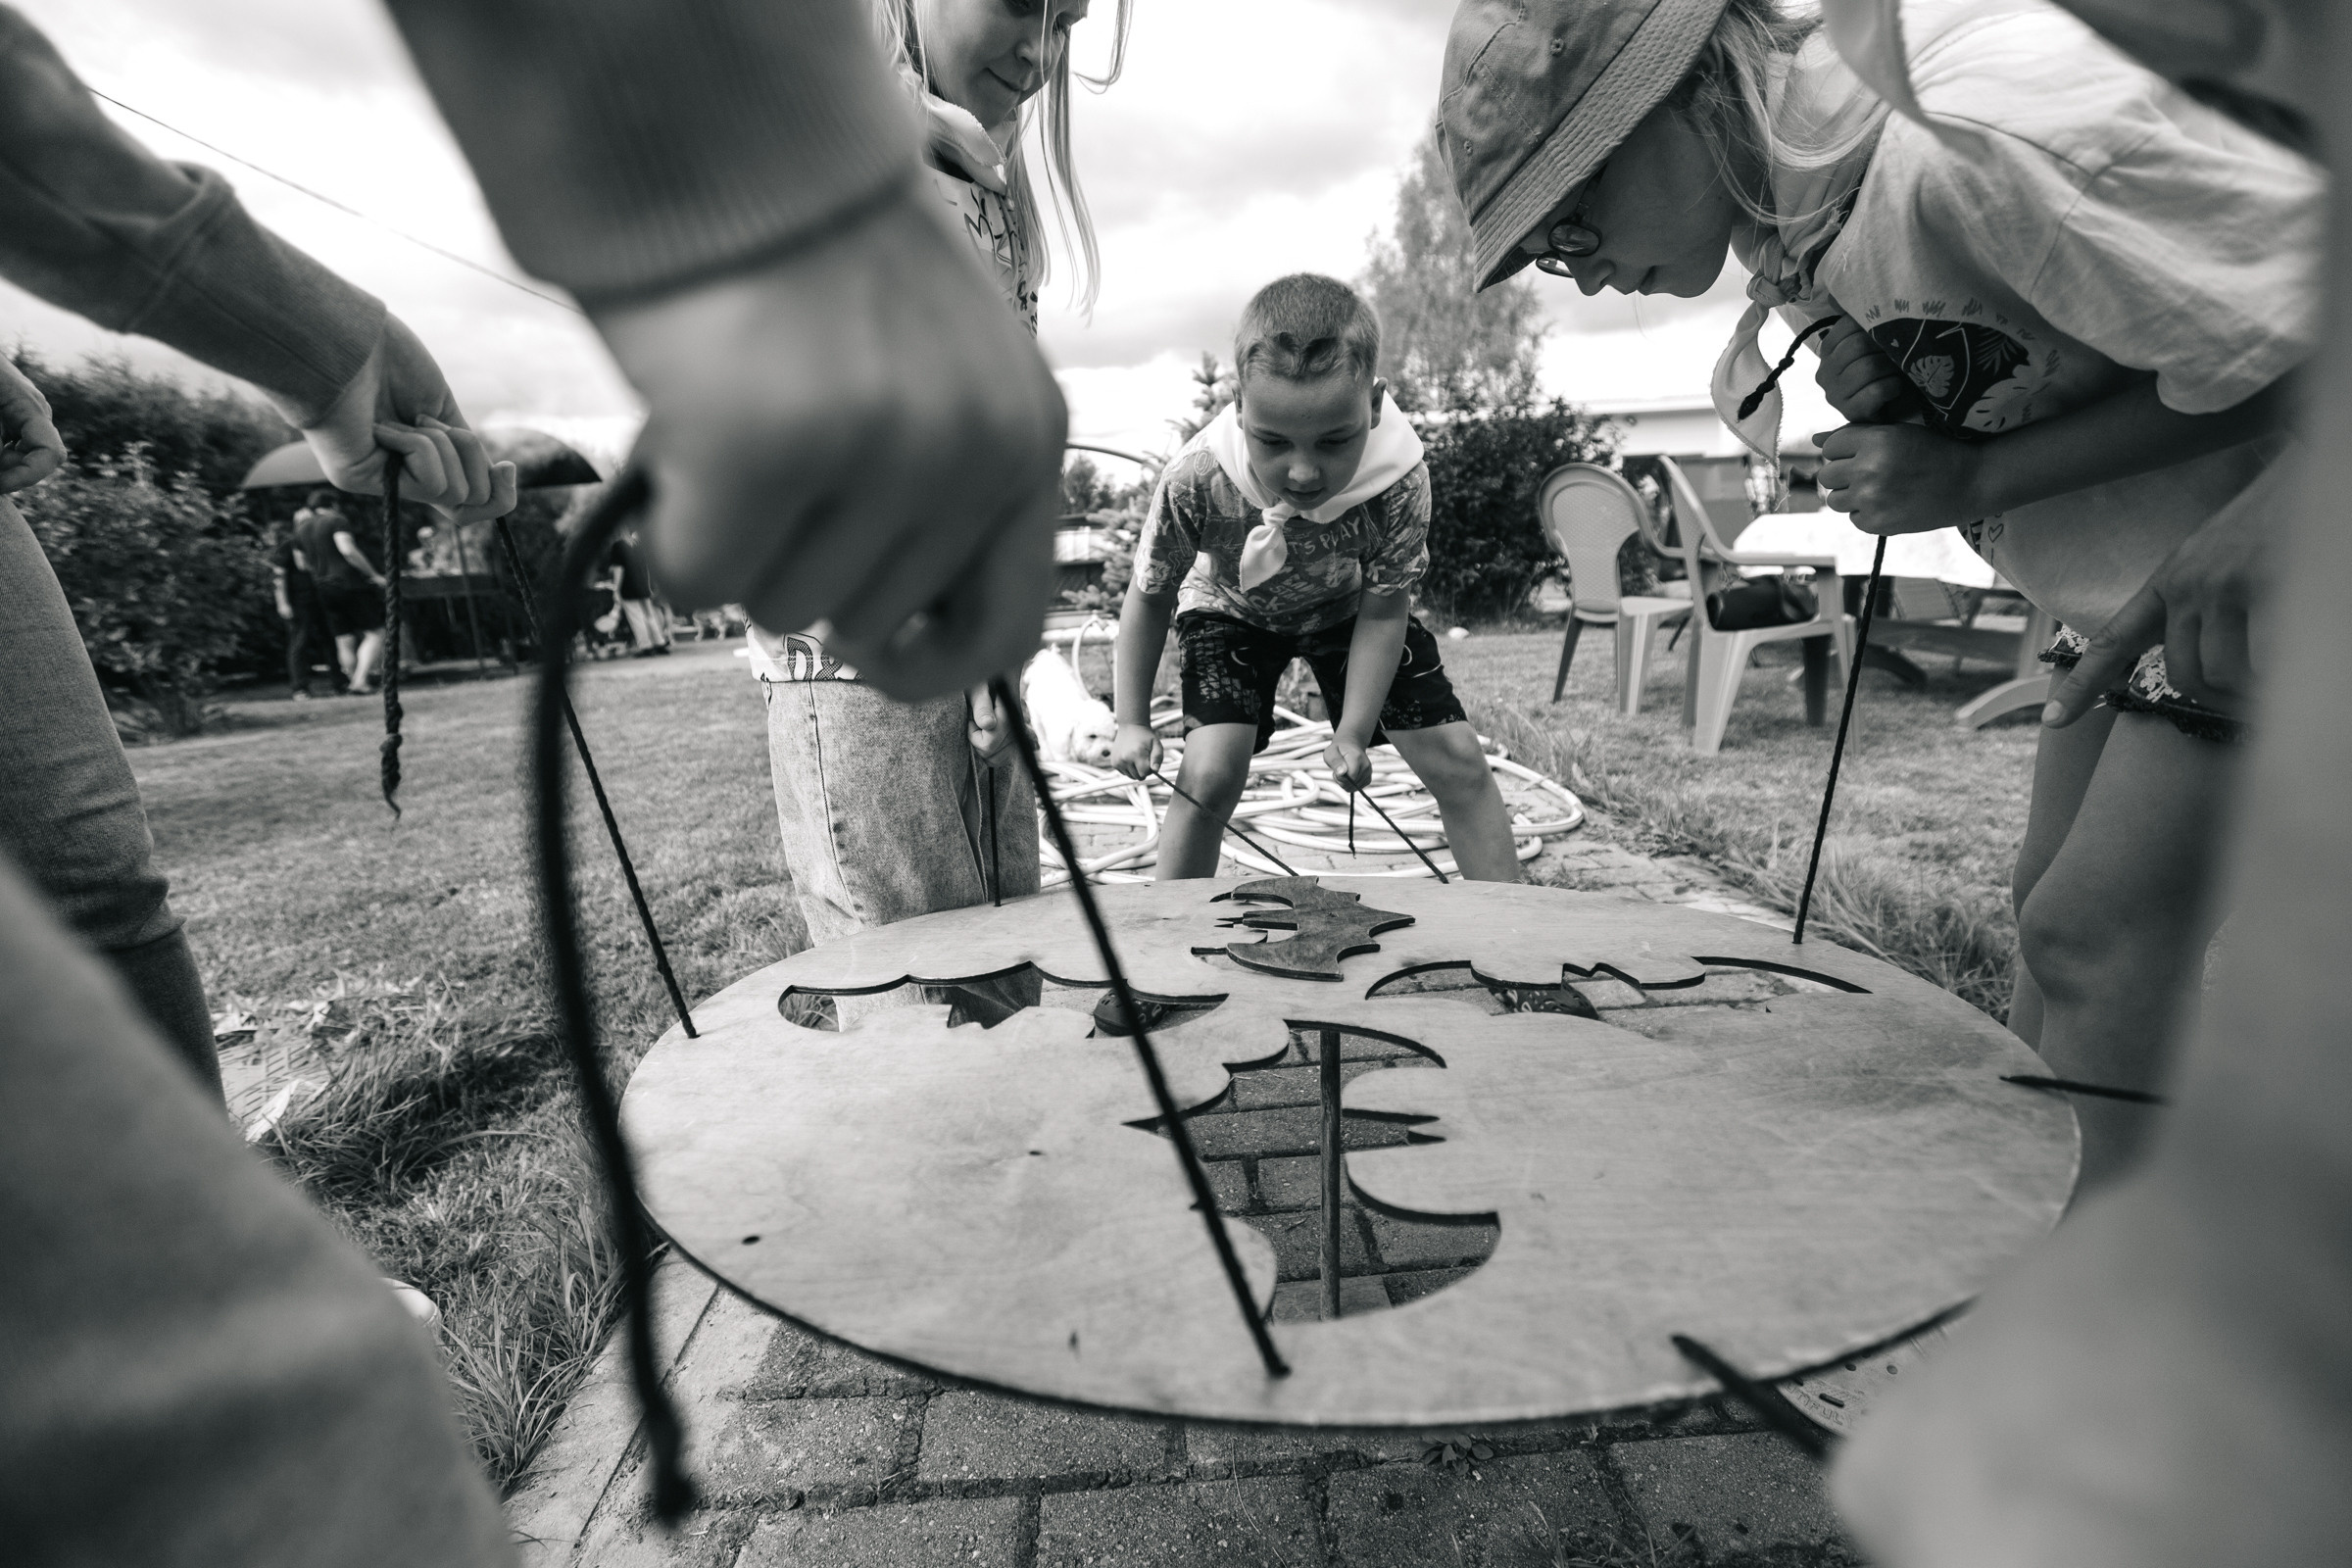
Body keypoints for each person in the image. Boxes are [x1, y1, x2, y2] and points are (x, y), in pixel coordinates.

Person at [1440, 0, 2319, 1189]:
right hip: (2134, 585)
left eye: (1574, 211)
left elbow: (2299, 343)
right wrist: (1913, 418)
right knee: (2042, 911)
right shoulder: (1789, 225)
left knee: (2095, 939)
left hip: (2271, 548)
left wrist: (1980, 472)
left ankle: (2095, 1307)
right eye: (1551, 246)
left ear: (1681, 88)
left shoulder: (1973, 136)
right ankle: (2024, 1215)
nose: (1581, 270)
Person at [746, 0, 1128, 1025]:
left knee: (1002, 975)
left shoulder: (984, 191)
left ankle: (1012, 1173)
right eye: (1020, 4)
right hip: (860, 670)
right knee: (913, 1005)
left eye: (1069, 24)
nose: (1042, 51)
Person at [1110, 274, 1523, 882]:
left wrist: (1353, 733)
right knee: (1208, 774)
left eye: (1335, 440)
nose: (1302, 473)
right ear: (1239, 404)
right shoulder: (1195, 478)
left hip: (1349, 612)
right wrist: (1131, 722)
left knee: (1459, 761)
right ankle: (1174, 957)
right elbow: (1149, 599)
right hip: (1230, 610)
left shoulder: (1399, 482)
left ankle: (1516, 948)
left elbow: (1384, 612)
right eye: (1273, 441)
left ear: (1374, 405)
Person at [273, 501, 333, 698]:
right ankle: (300, 687)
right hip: (299, 602)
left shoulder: (319, 543)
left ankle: (339, 681)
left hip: (320, 598)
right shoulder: (288, 545)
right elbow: (278, 576)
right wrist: (282, 602)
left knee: (331, 639)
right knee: (300, 642)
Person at [607, 524, 671, 656]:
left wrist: (616, 590)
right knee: (650, 615)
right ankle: (660, 643)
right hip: (643, 585)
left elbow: (619, 570)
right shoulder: (638, 545)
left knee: (636, 617)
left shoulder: (618, 546)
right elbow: (646, 568)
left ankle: (646, 646)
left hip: (628, 587)